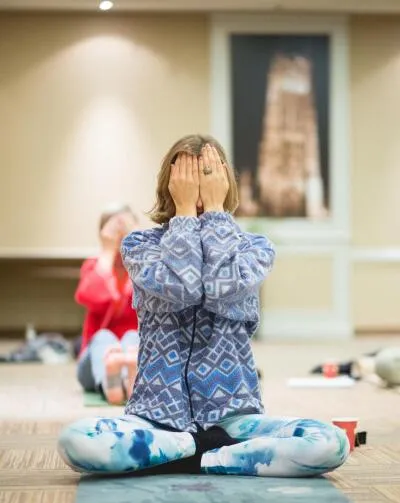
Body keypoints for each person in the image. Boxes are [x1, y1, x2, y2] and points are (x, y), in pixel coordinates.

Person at [58, 135, 349, 476]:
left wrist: (214, 215)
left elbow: (221, 289)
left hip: (234, 421)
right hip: (155, 416)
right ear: (171, 185)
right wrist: (182, 215)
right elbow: (183, 288)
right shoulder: (140, 245)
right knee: (75, 441)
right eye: (186, 179)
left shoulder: (254, 249)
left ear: (223, 183)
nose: (197, 189)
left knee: (331, 442)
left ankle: (205, 458)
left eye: (207, 177)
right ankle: (192, 448)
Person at [75, 205, 140, 405]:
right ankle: (110, 381)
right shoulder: (94, 265)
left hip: (134, 353)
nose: (120, 233)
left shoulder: (143, 266)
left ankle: (132, 383)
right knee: (103, 337)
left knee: (133, 337)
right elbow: (90, 296)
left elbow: (156, 293)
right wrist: (107, 251)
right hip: (94, 362)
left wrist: (137, 246)